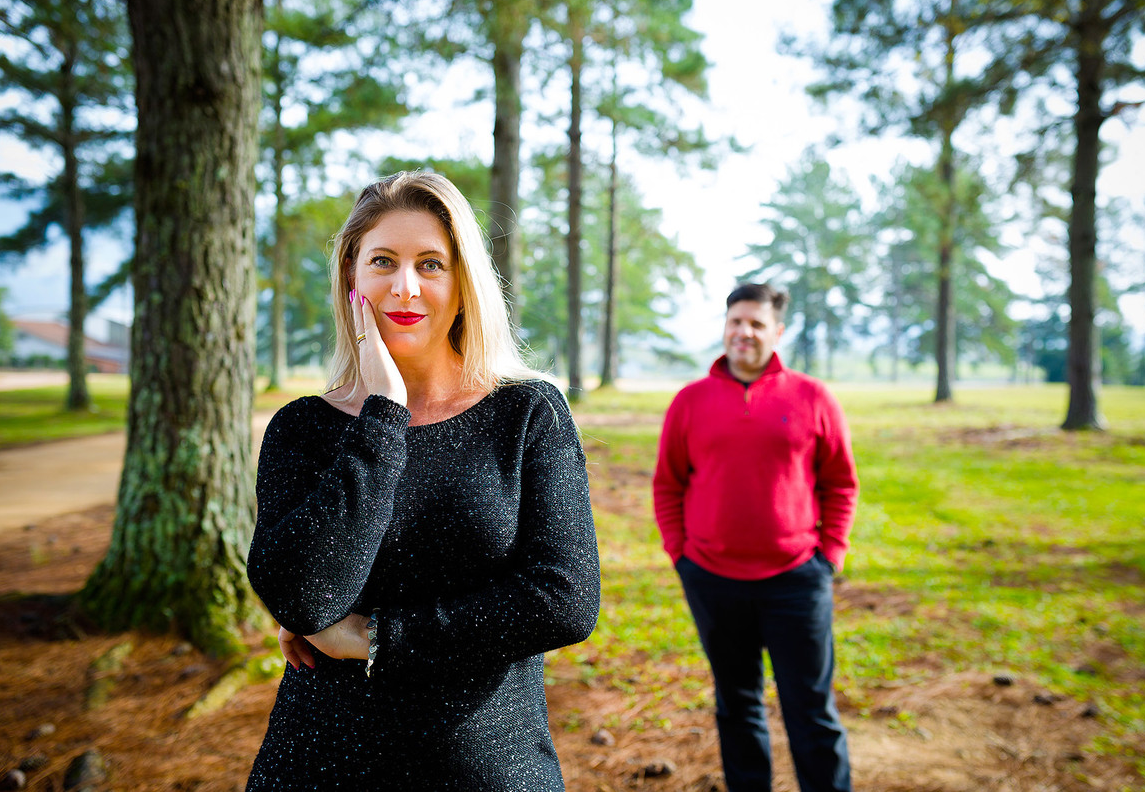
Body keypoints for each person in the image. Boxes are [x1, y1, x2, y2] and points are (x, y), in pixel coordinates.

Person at [245, 170, 601, 790]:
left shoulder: (526, 414)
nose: (404, 287)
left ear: (464, 283)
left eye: (431, 264)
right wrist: (383, 412)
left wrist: (381, 636)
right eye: (383, 261)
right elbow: (301, 599)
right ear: (352, 276)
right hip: (321, 762)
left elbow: (563, 600)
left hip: (486, 764)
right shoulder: (302, 428)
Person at [653, 282, 858, 792]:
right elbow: (668, 484)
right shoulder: (690, 401)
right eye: (736, 322)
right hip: (713, 580)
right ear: (725, 327)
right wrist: (682, 556)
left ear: (777, 332)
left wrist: (828, 555)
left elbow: (840, 482)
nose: (743, 332)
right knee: (737, 705)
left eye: (756, 324)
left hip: (796, 579)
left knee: (810, 709)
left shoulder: (813, 398)